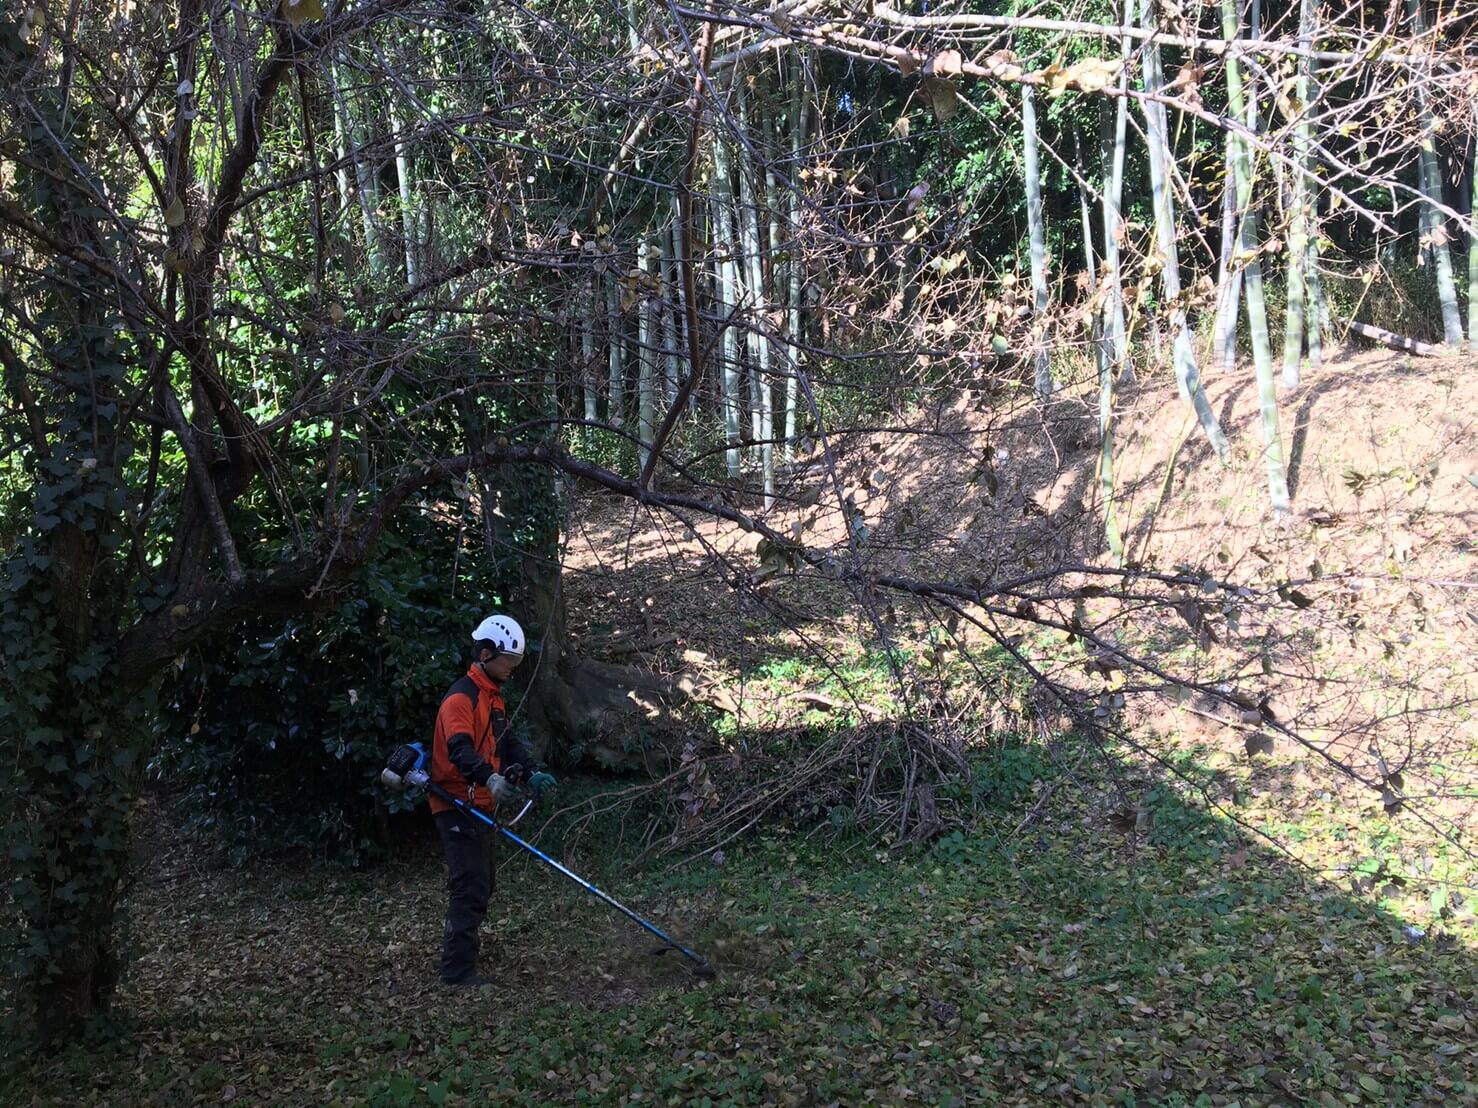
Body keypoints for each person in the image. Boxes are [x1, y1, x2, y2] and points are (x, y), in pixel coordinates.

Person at [429, 613, 556, 986]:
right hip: (454, 803)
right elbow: (459, 750)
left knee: (483, 882)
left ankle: (464, 954)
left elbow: (508, 742)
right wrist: (490, 777)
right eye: (509, 662)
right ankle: (457, 972)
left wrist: (531, 772)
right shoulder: (461, 698)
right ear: (486, 654)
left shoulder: (493, 697)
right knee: (469, 885)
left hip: (480, 803)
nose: (513, 669)